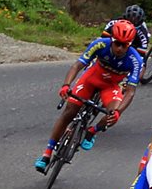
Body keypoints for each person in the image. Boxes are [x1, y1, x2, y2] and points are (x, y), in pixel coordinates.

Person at [34, 20, 143, 173]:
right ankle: (46, 154)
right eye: (117, 43)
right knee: (69, 111)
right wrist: (66, 85)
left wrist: (118, 112)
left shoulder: (135, 60)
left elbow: (130, 91)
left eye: (124, 45)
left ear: (130, 45)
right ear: (112, 40)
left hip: (111, 86)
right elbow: (77, 65)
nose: (119, 48)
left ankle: (92, 131)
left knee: (112, 115)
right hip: (91, 79)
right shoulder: (100, 44)